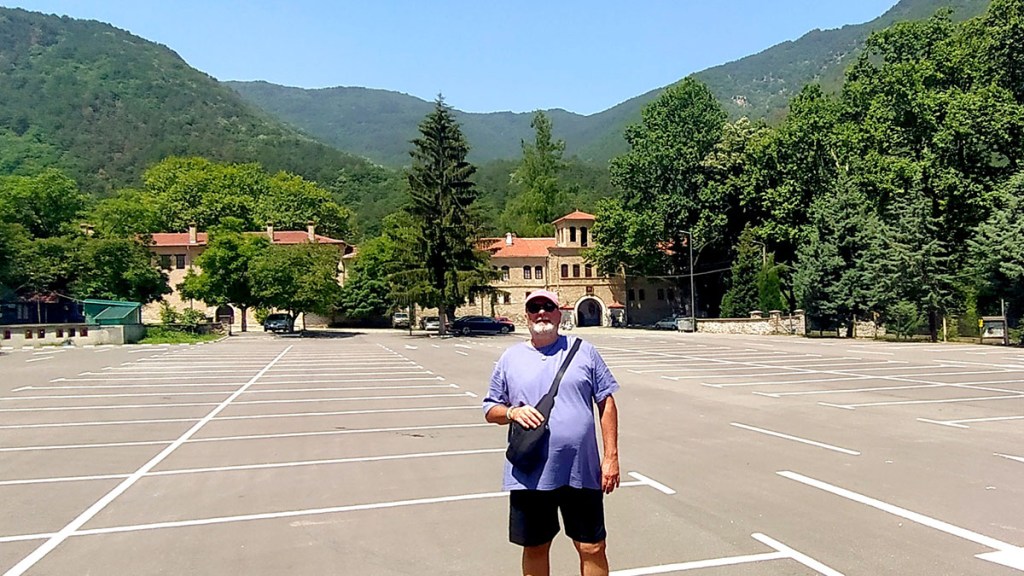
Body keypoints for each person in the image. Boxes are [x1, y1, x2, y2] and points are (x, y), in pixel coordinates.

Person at [483, 289, 620, 576]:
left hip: (581, 469)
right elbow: (490, 408)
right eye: (535, 308)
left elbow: (606, 402)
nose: (541, 312)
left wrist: (611, 457)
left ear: (559, 314)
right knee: (535, 546)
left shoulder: (584, 351)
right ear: (527, 316)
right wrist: (512, 412)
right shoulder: (510, 358)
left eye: (548, 306)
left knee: (592, 546)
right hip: (529, 472)